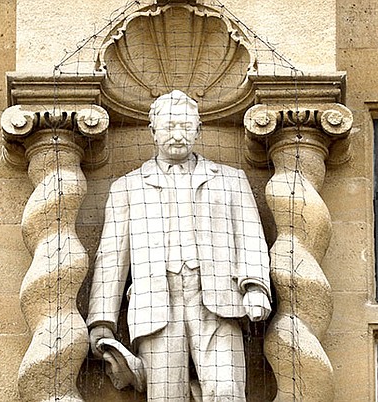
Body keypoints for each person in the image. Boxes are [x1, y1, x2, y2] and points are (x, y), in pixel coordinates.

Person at [87, 90, 271, 401]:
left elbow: (250, 236)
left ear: (199, 130)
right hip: (156, 303)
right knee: (165, 396)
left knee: (227, 391)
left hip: (218, 300)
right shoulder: (127, 187)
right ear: (153, 131)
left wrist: (256, 287)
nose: (177, 135)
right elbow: (111, 258)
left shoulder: (230, 180)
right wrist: (102, 320)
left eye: (186, 127)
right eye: (169, 126)